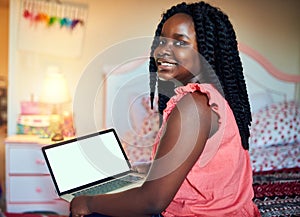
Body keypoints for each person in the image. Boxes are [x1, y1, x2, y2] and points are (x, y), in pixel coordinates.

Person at [70, 1, 261, 216]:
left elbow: (152, 202)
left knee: (84, 209)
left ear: (207, 52)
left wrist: (88, 203)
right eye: (161, 40)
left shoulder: (194, 105)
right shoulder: (213, 98)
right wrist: (152, 171)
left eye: (180, 43)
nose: (162, 51)